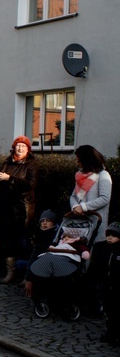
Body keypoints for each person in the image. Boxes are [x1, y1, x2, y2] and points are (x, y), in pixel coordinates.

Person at [70, 144, 112, 312]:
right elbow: (73, 196)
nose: (77, 162)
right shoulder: (80, 176)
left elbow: (104, 198)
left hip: (97, 226)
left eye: (79, 159)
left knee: (93, 267)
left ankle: (94, 302)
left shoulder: (103, 176)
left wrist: (85, 207)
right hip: (80, 226)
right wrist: (75, 207)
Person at [0, 136, 39, 284]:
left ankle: (26, 275)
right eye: (18, 146)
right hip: (6, 206)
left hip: (23, 208)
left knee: (24, 240)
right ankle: (10, 272)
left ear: (28, 149)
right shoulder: (7, 162)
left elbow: (30, 184)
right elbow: (2, 180)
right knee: (7, 240)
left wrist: (9, 179)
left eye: (23, 146)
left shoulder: (31, 164)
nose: (20, 149)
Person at [23, 210, 58, 297]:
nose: (45, 223)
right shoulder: (38, 236)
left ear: (53, 222)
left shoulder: (57, 236)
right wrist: (28, 279)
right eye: (42, 221)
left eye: (48, 220)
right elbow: (33, 257)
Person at [100, 222, 120, 347]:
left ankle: (116, 335)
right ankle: (110, 333)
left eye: (113, 235)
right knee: (109, 312)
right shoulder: (103, 249)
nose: (110, 237)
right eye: (108, 235)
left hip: (117, 287)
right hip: (106, 286)